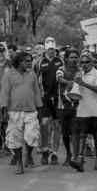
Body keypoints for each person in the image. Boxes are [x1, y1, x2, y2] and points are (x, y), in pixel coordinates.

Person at [0, 51, 42, 174]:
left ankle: (28, 154)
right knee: (15, 138)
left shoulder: (32, 74)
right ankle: (19, 163)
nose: (30, 63)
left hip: (31, 111)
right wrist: (4, 109)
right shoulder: (9, 75)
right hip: (14, 112)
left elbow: (37, 92)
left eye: (30, 60)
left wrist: (39, 107)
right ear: (19, 62)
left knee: (33, 136)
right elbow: (4, 93)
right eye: (27, 61)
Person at [69, 52, 97, 172]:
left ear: (91, 63)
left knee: (96, 136)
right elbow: (75, 92)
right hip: (83, 109)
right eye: (82, 62)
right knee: (82, 136)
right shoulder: (79, 74)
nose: (84, 64)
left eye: (87, 62)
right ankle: (80, 161)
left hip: (95, 110)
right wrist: (71, 93)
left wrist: (83, 83)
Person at [36, 37, 64, 165]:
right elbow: (35, 80)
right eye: (49, 49)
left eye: (53, 49)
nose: (51, 51)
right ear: (45, 49)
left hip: (58, 98)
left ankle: (54, 152)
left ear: (55, 48)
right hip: (44, 98)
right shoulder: (39, 62)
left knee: (57, 125)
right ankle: (45, 150)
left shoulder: (61, 61)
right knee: (44, 124)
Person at [56, 48, 80, 166]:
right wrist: (68, 82)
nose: (74, 59)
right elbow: (59, 78)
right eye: (72, 57)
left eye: (76, 57)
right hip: (63, 106)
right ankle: (68, 154)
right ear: (66, 59)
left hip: (78, 105)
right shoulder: (61, 69)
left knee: (75, 131)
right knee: (65, 133)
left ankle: (75, 157)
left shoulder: (80, 70)